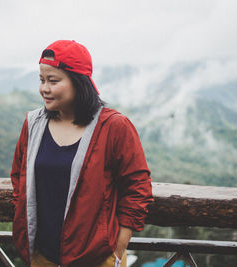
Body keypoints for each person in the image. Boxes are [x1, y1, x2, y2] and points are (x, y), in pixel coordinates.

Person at [10, 40, 153, 267]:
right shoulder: (33, 124)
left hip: (97, 257)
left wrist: (119, 246)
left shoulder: (114, 127)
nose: (44, 89)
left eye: (53, 81)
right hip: (42, 255)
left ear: (78, 82)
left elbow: (138, 187)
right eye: (41, 80)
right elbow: (19, 177)